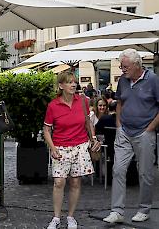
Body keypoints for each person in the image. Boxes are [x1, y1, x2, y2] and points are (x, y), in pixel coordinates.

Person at [103, 49, 159, 224]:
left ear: (136, 65)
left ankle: (144, 209)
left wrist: (150, 128)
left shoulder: (153, 80)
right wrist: (119, 124)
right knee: (118, 170)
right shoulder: (123, 81)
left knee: (145, 174)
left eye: (125, 66)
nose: (122, 69)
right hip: (124, 132)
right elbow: (120, 102)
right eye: (121, 66)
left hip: (144, 132)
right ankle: (117, 211)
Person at [43, 72, 100, 229]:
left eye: (74, 82)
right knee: (59, 182)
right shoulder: (53, 106)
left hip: (80, 146)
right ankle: (56, 217)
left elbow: (88, 122)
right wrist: (52, 148)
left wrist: (93, 138)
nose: (73, 85)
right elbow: (46, 130)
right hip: (60, 147)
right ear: (61, 86)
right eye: (69, 82)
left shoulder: (83, 101)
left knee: (75, 182)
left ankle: (70, 217)